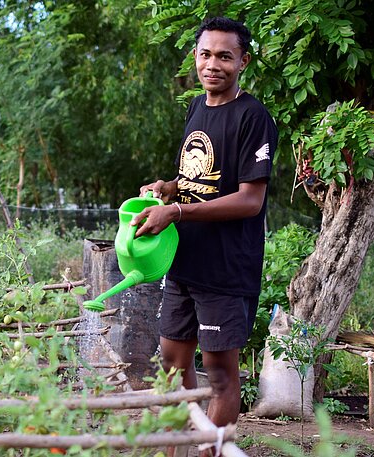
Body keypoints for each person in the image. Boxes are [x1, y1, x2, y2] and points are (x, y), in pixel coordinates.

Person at [131, 16, 277, 453]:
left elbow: (250, 199)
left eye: (225, 56)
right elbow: (197, 178)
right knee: (173, 363)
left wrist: (175, 210)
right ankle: (183, 447)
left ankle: (210, 451)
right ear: (195, 57)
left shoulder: (254, 117)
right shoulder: (197, 107)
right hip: (184, 258)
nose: (213, 64)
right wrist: (168, 188)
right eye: (205, 54)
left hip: (227, 267)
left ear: (243, 62)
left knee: (219, 374)